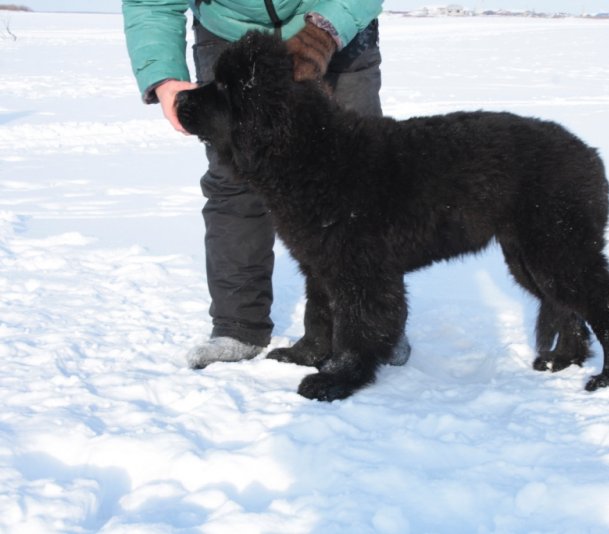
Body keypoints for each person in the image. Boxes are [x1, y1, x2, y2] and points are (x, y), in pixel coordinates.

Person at [122, 0, 408, 368]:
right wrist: (163, 78)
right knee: (234, 181)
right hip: (229, 33)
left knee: (356, 179)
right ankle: (238, 326)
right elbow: (151, 3)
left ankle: (372, 328)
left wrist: (323, 33)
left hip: (333, 19)